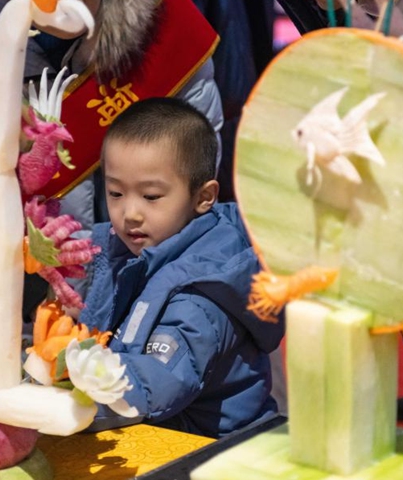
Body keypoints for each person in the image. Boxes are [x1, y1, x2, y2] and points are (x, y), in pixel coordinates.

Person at [0, 0, 223, 320]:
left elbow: (195, 165)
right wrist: (9, 265)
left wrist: (150, 276)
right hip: (26, 297)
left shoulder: (165, 22)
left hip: (150, 278)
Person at [78, 98, 283, 438]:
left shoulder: (201, 296)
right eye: (115, 193)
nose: (130, 212)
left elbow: (158, 383)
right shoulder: (133, 248)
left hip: (214, 451)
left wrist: (65, 395)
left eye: (151, 196)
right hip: (164, 434)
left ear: (203, 197)